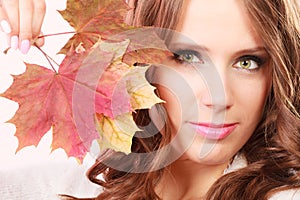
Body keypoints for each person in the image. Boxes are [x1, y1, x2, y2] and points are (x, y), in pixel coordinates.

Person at [1, 0, 299, 199]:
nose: (219, 98)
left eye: (247, 62)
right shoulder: (47, 189)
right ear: (138, 61)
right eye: (188, 57)